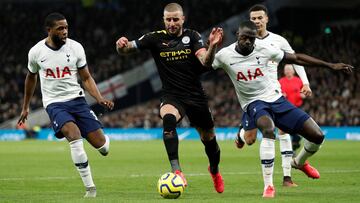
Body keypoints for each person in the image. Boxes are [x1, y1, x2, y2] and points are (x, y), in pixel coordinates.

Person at [212, 20, 352, 198]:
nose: (248, 42)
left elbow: (297, 58)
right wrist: (211, 48)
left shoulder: (266, 48)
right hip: (253, 102)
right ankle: (268, 186)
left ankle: (298, 162)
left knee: (317, 136)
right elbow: (204, 65)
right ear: (238, 35)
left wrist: (330, 65)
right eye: (245, 38)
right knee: (265, 131)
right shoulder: (225, 55)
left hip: (276, 99)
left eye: (252, 39)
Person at [115, 3, 224, 193]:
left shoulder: (193, 36)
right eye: (168, 19)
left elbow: (205, 62)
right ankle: (177, 172)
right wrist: (120, 46)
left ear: (183, 19)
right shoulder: (154, 38)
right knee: (168, 119)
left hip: (195, 96)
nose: (172, 23)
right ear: (163, 20)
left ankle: (214, 171)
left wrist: (212, 47)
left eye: (175, 19)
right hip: (172, 95)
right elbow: (126, 50)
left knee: (209, 140)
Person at [18, 12, 114, 198]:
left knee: (103, 147)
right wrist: (25, 106)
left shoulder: (76, 48)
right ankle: (90, 189)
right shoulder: (36, 52)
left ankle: (101, 140)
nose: (65, 32)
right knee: (74, 136)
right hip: (54, 103)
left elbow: (86, 77)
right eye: (60, 28)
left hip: (77, 100)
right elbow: (31, 78)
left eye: (66, 28)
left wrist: (99, 98)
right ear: (49, 30)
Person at [235, 4, 313, 187]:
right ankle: (240, 133)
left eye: (260, 18)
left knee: (282, 130)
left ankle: (287, 178)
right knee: (250, 139)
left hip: (274, 94)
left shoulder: (279, 41)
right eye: (253, 19)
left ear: (267, 19)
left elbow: (297, 60)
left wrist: (305, 82)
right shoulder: (244, 42)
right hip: (253, 98)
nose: (257, 21)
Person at [279, 64, 307, 152]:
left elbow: (305, 92)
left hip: (297, 108)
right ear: (284, 71)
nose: (287, 71)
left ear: (293, 71)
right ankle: (295, 141)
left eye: (289, 69)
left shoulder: (299, 81)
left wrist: (303, 95)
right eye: (286, 70)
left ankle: (295, 143)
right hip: (285, 108)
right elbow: (276, 93)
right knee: (286, 128)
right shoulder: (280, 81)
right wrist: (281, 95)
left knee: (292, 127)